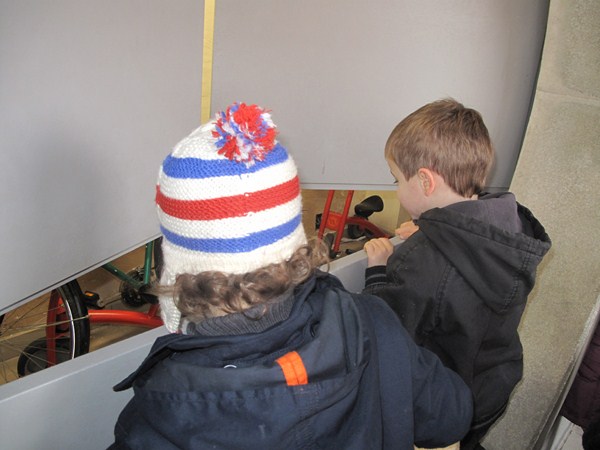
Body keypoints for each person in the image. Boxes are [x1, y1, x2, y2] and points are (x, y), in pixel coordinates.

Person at [109, 102, 473, 450]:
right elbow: (451, 416)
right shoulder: (371, 321)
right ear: (295, 247)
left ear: (178, 272)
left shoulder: (160, 417)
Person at [362, 98, 552, 450]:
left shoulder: (421, 260)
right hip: (490, 386)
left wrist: (377, 272)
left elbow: (385, 332)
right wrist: (435, 228)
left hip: (444, 401)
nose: (397, 191)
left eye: (396, 179)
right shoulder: (510, 230)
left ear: (425, 180)